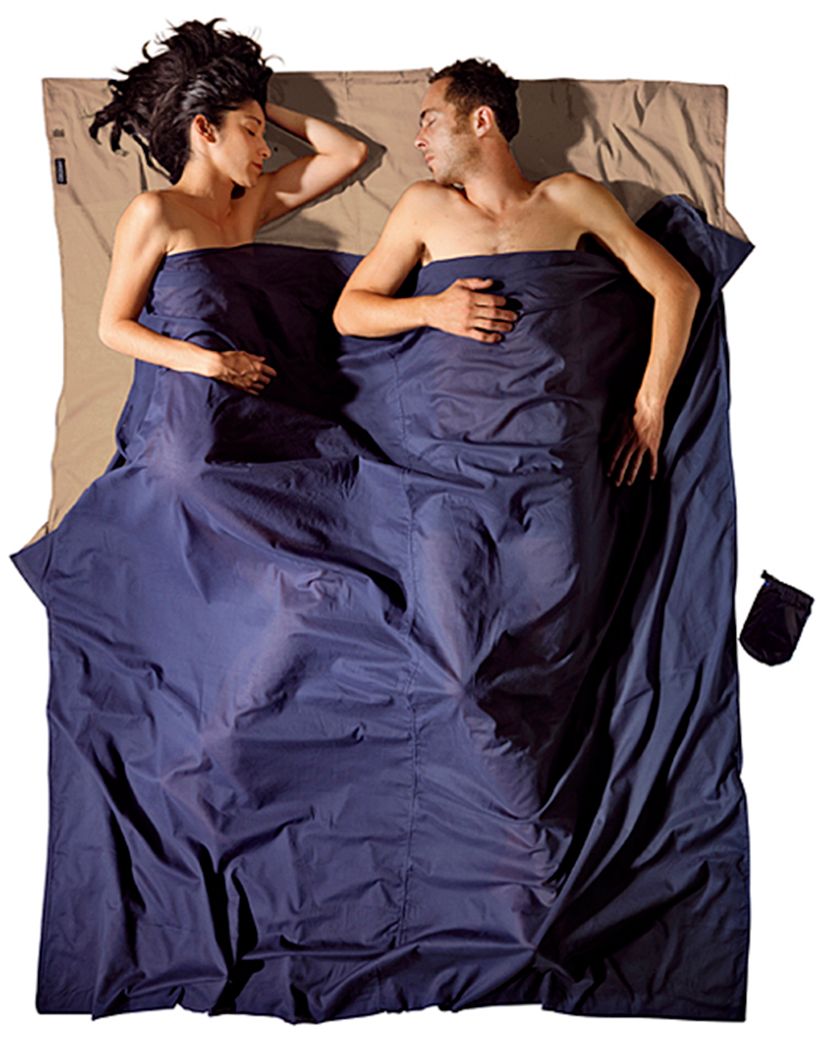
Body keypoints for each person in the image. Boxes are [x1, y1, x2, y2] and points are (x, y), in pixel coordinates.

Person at [333, 58, 700, 487]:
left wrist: (650, 408)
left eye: (430, 121)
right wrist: (432, 310)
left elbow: (676, 287)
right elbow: (349, 312)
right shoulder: (423, 206)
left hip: (550, 447)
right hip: (450, 452)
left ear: (481, 120)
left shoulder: (571, 197)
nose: (418, 139)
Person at [91, 18, 367, 396]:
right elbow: (113, 327)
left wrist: (257, 108)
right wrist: (212, 364)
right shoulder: (154, 211)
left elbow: (348, 153)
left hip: (253, 395)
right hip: (188, 396)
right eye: (251, 132)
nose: (265, 149)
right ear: (205, 129)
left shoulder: (252, 204)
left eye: (264, 134)